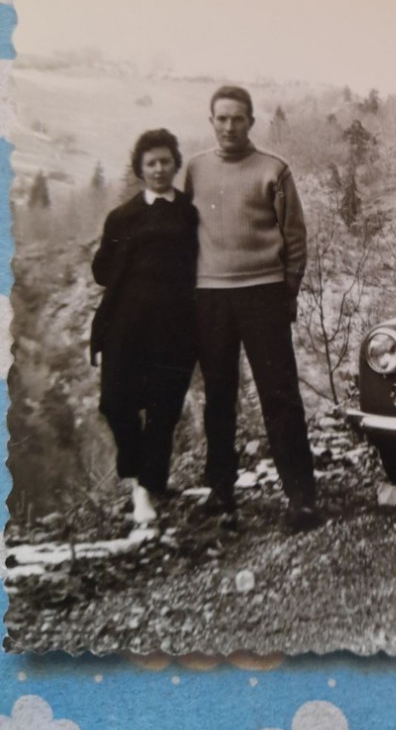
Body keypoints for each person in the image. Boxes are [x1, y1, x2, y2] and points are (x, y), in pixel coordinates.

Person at [185, 86, 320, 533]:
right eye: (221, 119)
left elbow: (295, 238)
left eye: (237, 119)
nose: (228, 127)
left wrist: (288, 291)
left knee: (279, 396)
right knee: (219, 397)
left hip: (263, 293)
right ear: (211, 121)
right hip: (210, 297)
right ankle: (222, 492)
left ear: (250, 122)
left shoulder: (274, 170)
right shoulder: (195, 170)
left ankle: (301, 498)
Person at [91, 129, 198, 526]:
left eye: (165, 161)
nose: (158, 169)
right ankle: (136, 472)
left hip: (176, 329)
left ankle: (146, 490)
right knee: (116, 404)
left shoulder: (189, 213)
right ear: (139, 168)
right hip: (126, 326)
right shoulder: (122, 216)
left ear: (175, 164)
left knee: (162, 411)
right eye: (150, 163)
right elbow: (102, 271)